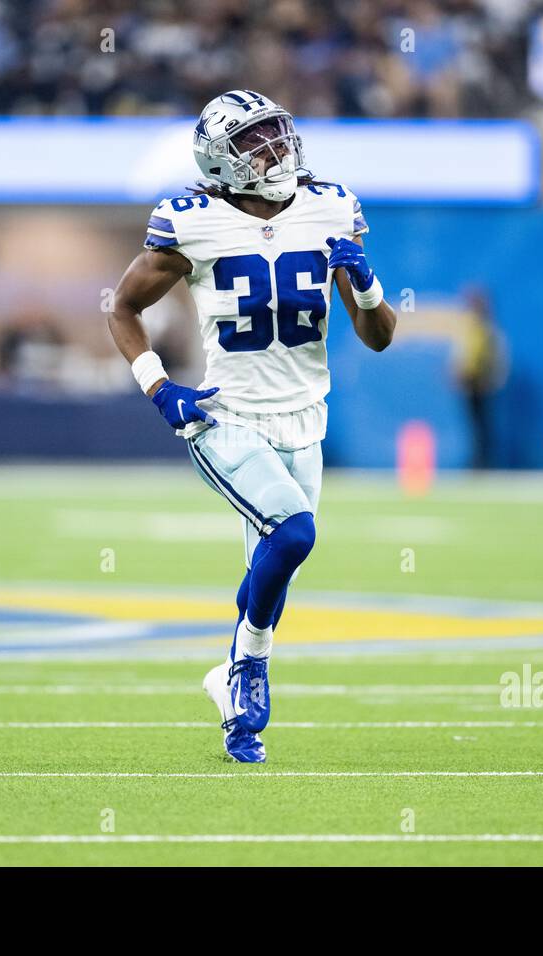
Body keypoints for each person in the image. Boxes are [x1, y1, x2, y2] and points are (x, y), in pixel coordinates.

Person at [108, 90, 397, 762]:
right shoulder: (193, 220)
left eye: (277, 134)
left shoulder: (331, 206)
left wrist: (369, 285)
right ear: (221, 157)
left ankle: (231, 693)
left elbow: (379, 337)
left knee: (274, 566)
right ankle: (250, 666)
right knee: (294, 533)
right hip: (225, 415)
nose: (275, 150)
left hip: (305, 418)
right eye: (254, 141)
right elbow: (122, 309)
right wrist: (158, 388)